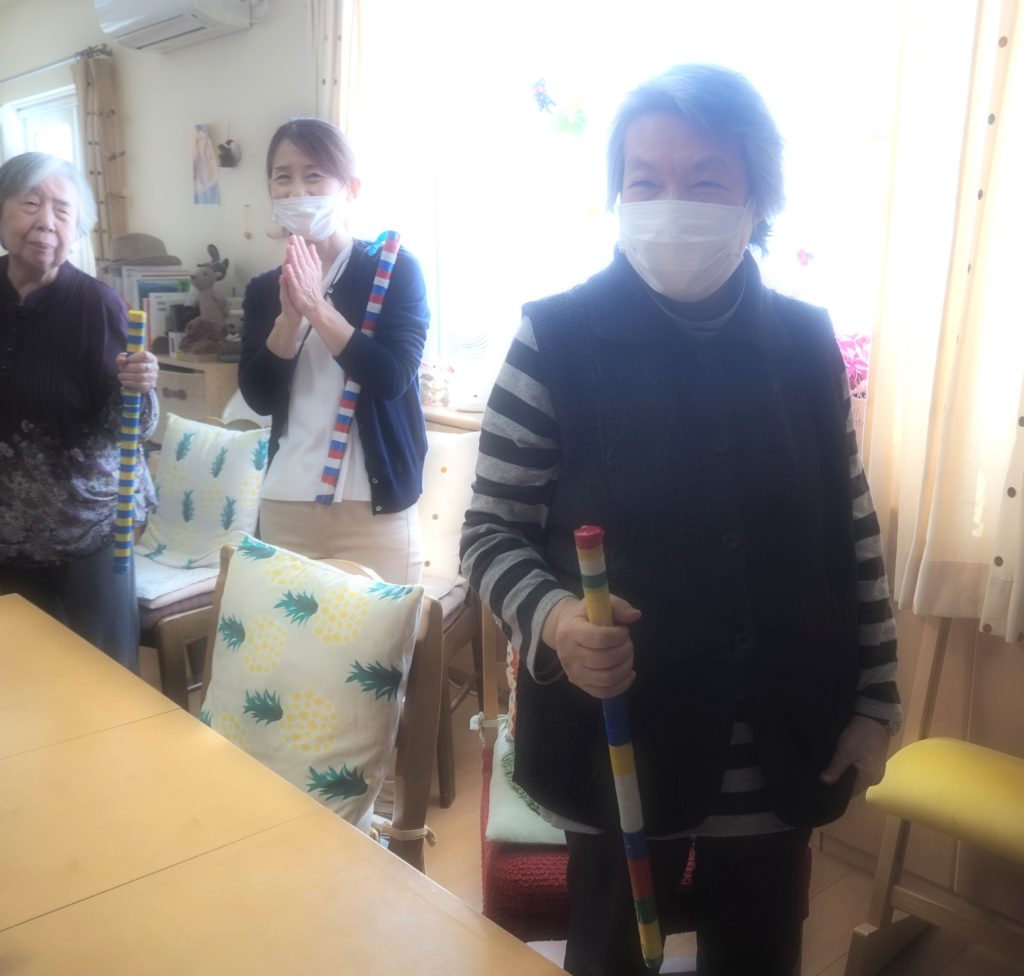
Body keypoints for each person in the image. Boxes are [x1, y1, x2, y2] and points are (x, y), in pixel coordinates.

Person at [460, 64, 902, 976]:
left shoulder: (804, 343)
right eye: (645, 180)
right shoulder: (556, 338)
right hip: (618, 745)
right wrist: (554, 619)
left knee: (760, 955)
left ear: (755, 199)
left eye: (705, 181)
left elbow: (850, 532)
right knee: (612, 958)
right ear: (617, 194)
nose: (671, 205)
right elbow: (489, 532)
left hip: (784, 743)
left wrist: (877, 699)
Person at [239, 118, 429, 584]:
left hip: (374, 508)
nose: (297, 191)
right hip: (286, 501)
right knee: (287, 630)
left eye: (315, 176)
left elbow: (392, 377)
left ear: (351, 189)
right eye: (283, 178)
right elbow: (259, 397)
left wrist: (317, 309)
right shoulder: (265, 289)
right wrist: (288, 321)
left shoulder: (393, 269)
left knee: (382, 634)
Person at [0, 152, 159, 671]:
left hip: (90, 528)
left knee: (104, 678)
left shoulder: (97, 305)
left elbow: (127, 427)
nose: (46, 221)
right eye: (30, 204)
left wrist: (139, 387)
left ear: (77, 229)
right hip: (6, 534)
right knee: (22, 677)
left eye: (62, 210)